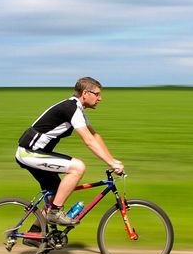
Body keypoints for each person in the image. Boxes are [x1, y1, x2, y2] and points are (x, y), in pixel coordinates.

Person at [15, 77, 124, 227]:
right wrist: (110, 162)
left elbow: (95, 136)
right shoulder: (71, 108)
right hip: (29, 153)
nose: (100, 98)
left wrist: (113, 160)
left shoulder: (77, 109)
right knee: (78, 167)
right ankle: (54, 213)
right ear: (85, 93)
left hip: (35, 153)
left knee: (57, 193)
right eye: (97, 94)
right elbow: (88, 141)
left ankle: (35, 233)